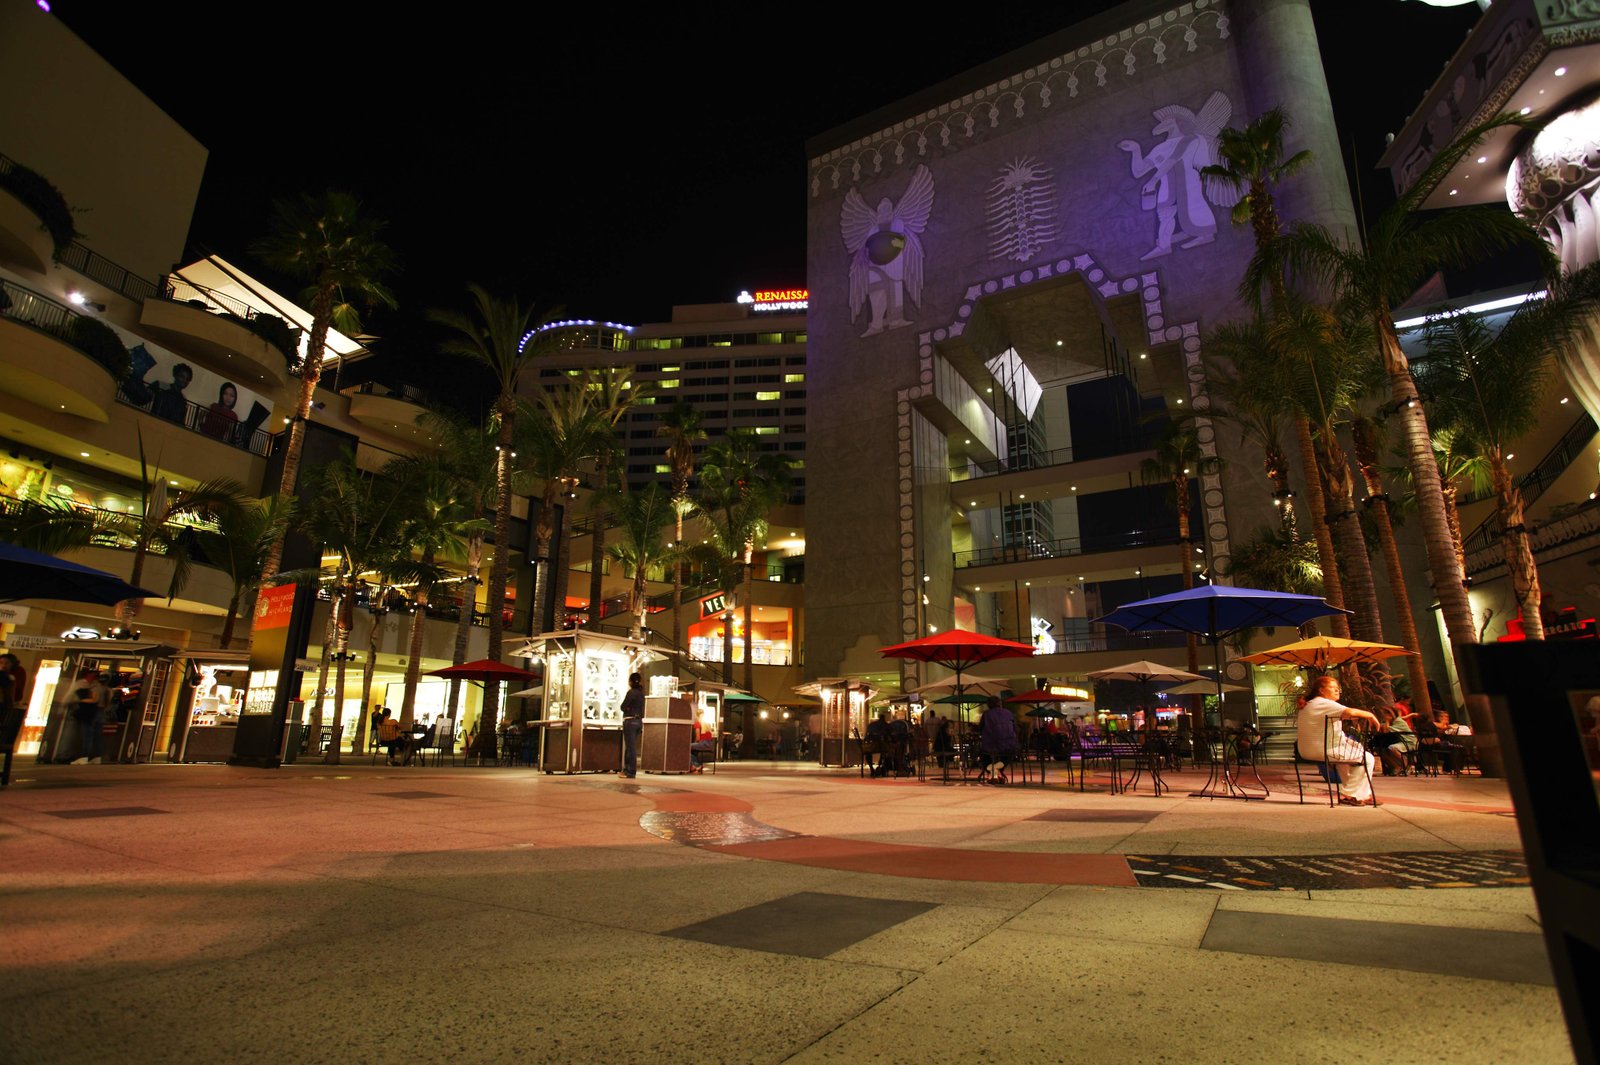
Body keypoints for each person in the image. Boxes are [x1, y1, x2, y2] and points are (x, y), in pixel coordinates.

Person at [1296, 675, 1381, 805]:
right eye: (1332, 687)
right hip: (1324, 750)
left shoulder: (1310, 704)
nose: (1337, 690)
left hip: (1307, 750)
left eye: (1337, 688)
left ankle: (1360, 795)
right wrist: (1370, 715)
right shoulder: (1324, 703)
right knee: (1367, 758)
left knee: (1349, 758)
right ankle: (1350, 794)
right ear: (1321, 690)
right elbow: (1351, 712)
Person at [68, 669, 111, 765]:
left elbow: (94, 700)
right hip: (102, 713)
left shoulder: (96, 688)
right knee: (97, 736)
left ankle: (84, 757)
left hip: (93, 713)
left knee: (87, 735)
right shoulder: (108, 690)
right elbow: (107, 704)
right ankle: (97, 757)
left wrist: (81, 700)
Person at [978, 695, 1019, 785]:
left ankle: (993, 772)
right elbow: (1015, 729)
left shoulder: (986, 714)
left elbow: (980, 729)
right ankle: (997, 772)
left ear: (989, 705)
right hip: (1009, 745)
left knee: (983, 755)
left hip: (991, 745)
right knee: (1010, 754)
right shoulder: (1009, 713)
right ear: (999, 703)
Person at [618, 671, 644, 778]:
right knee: (631, 747)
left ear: (630, 681)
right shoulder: (641, 694)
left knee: (630, 747)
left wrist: (627, 708)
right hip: (638, 721)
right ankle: (627, 770)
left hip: (630, 721)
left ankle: (630, 771)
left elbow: (623, 706)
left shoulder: (631, 692)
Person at [865, 710, 890, 777]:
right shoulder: (886, 725)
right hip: (881, 746)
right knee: (885, 751)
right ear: (884, 718)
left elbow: (866, 736)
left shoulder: (871, 725)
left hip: (869, 746)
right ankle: (880, 765)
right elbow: (889, 736)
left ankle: (871, 768)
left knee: (867, 753)